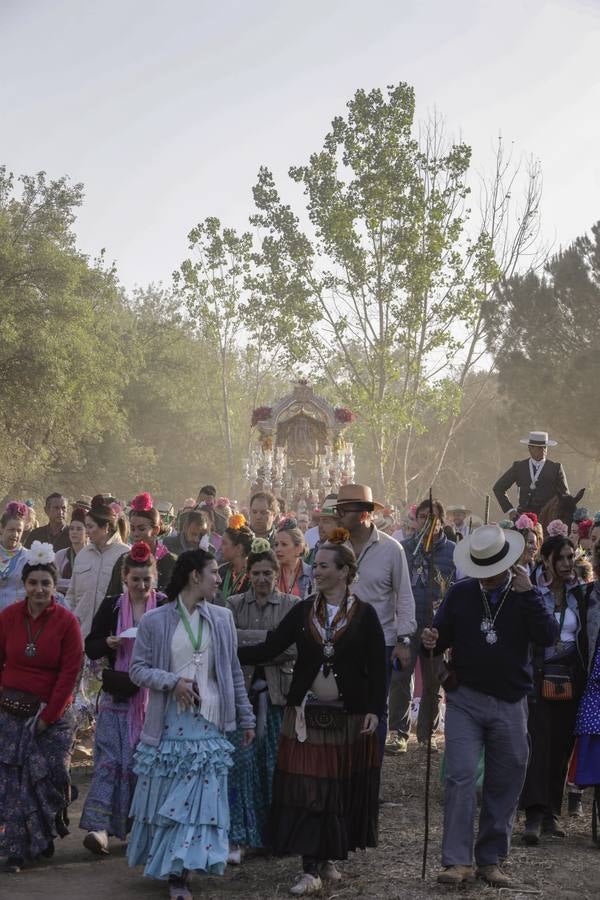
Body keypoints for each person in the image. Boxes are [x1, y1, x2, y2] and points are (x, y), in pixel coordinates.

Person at [238, 532, 386, 896]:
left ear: (344, 571)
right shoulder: (303, 611)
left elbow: (377, 668)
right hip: (305, 716)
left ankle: (327, 857)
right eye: (315, 565)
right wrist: (225, 649)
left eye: (322, 566)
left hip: (348, 715)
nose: (315, 571)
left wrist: (375, 711)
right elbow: (272, 647)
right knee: (309, 788)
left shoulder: (364, 616)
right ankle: (309, 868)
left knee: (337, 788)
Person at [422, 525, 558, 887]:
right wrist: (430, 638)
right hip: (465, 697)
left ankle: (491, 859)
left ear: (507, 562)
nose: (484, 578)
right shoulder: (462, 592)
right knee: (460, 776)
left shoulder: (527, 593)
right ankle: (456, 862)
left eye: (490, 570)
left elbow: (548, 636)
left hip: (511, 700)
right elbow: (438, 637)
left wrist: (529, 595)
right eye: (479, 570)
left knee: (506, 778)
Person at [127, 549, 255, 900]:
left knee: (200, 800)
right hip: (171, 724)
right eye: (214, 572)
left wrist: (246, 717)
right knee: (174, 801)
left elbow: (231, 673)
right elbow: (137, 670)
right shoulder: (155, 621)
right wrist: (173, 682)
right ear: (194, 576)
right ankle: (175, 874)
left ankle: (183, 870)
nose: (219, 579)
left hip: (210, 723)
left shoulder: (223, 618)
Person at [0, 542, 83, 872]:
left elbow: (69, 673)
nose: (39, 589)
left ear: (54, 586)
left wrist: (49, 717)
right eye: (33, 583)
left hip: (54, 712)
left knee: (49, 776)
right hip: (10, 709)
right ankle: (18, 848)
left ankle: (47, 826)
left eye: (45, 583)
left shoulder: (67, 622)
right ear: (24, 586)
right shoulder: (7, 617)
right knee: (14, 782)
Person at [80, 542, 160, 854]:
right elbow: (91, 645)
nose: (141, 586)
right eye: (135, 579)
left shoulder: (165, 607)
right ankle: (99, 828)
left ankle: (140, 829)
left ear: (155, 579)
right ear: (124, 578)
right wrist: (109, 643)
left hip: (152, 699)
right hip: (116, 696)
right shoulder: (112, 606)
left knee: (142, 765)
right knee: (109, 763)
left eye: (146, 579)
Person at [226, 543, 297, 861]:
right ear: (247, 575)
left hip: (278, 696)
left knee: (276, 766)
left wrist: (251, 641)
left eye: (267, 573)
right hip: (244, 698)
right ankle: (242, 836)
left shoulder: (292, 605)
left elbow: (293, 647)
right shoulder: (232, 605)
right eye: (256, 573)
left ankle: (277, 837)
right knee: (243, 767)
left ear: (276, 573)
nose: (262, 579)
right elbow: (228, 644)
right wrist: (269, 640)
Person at [334, 483, 415, 758]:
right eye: (338, 508)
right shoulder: (333, 547)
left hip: (380, 643)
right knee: (340, 705)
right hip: (340, 640)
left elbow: (404, 596)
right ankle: (344, 774)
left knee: (375, 710)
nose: (339, 514)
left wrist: (404, 640)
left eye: (345, 508)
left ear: (364, 513)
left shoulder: (392, 549)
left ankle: (371, 778)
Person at [520, 535, 591, 843]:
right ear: (547, 559)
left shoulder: (581, 597)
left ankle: (552, 813)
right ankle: (533, 816)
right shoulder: (534, 595)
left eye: (570, 557)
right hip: (539, 676)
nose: (566, 564)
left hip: (571, 679)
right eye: (560, 558)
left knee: (562, 747)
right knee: (538, 745)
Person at [386, 498, 455, 754]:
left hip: (438, 625)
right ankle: (399, 733)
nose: (428, 522)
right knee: (401, 676)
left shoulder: (453, 552)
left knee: (434, 679)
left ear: (442, 521)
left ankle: (427, 734)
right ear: (416, 520)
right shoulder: (404, 549)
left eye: (433, 517)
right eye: (423, 517)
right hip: (407, 621)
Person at [66, 495, 130, 639]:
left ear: (106, 527)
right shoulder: (83, 555)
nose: (86, 532)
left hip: (110, 637)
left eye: (90, 526)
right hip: (80, 634)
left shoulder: (125, 555)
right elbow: (72, 594)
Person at [105, 492, 176, 595]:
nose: (135, 534)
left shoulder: (170, 563)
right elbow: (111, 597)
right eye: (133, 529)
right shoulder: (123, 560)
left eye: (141, 529)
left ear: (155, 530)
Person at [493, 430, 569, 519]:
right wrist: (510, 510)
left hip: (548, 519)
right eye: (539, 448)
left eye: (545, 447)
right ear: (530, 448)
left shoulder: (556, 468)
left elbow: (566, 496)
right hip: (523, 518)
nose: (543, 450)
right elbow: (498, 488)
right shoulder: (519, 467)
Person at [218, 515, 254, 602]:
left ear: (239, 548)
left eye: (224, 543)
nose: (220, 547)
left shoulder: (254, 575)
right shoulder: (221, 571)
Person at [0, 501, 29, 609]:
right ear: (1, 528)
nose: (15, 535)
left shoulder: (28, 557)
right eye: (11, 530)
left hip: (16, 617)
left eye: (19, 531)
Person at [274, 519, 313, 598]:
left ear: (299, 548)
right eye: (276, 544)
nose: (278, 549)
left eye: (284, 544)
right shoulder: (271, 574)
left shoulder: (312, 574)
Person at [54, 507, 88, 595]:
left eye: (79, 529)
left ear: (87, 532)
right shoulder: (61, 554)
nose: (74, 532)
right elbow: (55, 582)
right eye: (72, 528)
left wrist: (65, 584)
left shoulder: (92, 555)